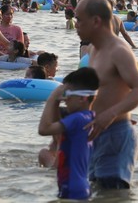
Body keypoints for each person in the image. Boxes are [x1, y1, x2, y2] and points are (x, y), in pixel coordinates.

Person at [74, 0, 138, 190]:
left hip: (116, 134)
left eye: (79, 19)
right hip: (95, 134)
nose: (76, 25)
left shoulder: (119, 51)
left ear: (96, 21)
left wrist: (110, 113)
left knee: (112, 195)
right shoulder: (93, 50)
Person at [38, 68, 100, 200]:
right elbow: (57, 134)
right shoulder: (87, 117)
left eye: (67, 95)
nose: (65, 99)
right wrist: (56, 103)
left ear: (82, 98)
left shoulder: (77, 119)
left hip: (73, 189)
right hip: (75, 187)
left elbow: (43, 129)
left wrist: (52, 98)